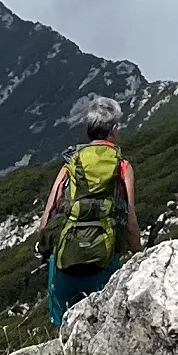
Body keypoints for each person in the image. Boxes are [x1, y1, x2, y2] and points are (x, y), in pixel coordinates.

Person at [36, 97, 140, 326]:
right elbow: (130, 219)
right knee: (106, 327)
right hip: (104, 262)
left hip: (65, 262)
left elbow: (48, 214)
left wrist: (44, 249)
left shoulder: (70, 165)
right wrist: (139, 255)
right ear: (114, 130)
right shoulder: (123, 167)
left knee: (63, 328)